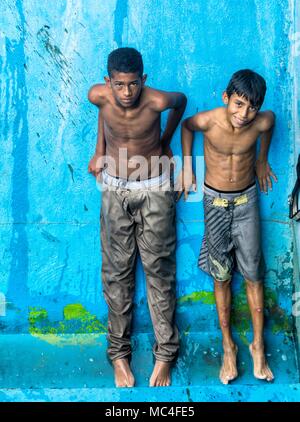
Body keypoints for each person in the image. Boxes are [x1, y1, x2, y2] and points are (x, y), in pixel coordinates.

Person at [87, 47, 187, 387]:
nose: (126, 93)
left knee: (160, 270)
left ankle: (165, 356)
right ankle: (119, 355)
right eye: (119, 85)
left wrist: (165, 140)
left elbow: (182, 102)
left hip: (155, 184)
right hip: (114, 187)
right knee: (117, 274)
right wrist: (99, 151)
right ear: (108, 82)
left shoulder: (157, 101)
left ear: (143, 80)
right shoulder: (98, 96)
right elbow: (103, 112)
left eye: (133, 84)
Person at [180, 69, 276, 385]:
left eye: (251, 107)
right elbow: (186, 126)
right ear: (226, 98)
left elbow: (270, 121)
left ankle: (258, 345)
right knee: (221, 275)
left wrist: (262, 160)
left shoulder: (261, 121)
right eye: (237, 104)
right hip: (215, 203)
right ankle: (228, 346)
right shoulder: (208, 121)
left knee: (253, 274)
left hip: (247, 202)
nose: (244, 114)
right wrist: (187, 168)